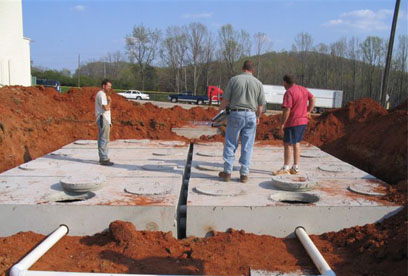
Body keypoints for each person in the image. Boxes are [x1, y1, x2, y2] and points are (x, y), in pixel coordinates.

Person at [218, 60, 265, 183]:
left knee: (230, 143)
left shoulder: (234, 80)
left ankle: (227, 172)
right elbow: (260, 106)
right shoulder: (258, 83)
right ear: (252, 70)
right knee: (247, 145)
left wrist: (219, 112)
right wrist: (258, 117)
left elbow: (226, 100)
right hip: (251, 115)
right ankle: (244, 173)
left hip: (235, 114)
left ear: (242, 68)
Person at [273, 75, 315, 175]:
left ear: (285, 82)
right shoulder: (303, 89)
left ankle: (286, 168)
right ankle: (295, 167)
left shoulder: (289, 92)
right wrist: (308, 111)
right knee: (297, 143)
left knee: (287, 144)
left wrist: (282, 123)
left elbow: (287, 110)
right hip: (303, 121)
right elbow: (313, 98)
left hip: (293, 122)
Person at [95, 79, 114, 166]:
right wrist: (110, 101)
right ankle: (103, 158)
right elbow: (105, 108)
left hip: (103, 119)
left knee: (102, 138)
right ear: (104, 86)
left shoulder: (101, 94)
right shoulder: (102, 95)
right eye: (108, 86)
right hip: (103, 118)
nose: (110, 88)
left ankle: (103, 156)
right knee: (104, 139)